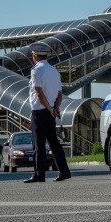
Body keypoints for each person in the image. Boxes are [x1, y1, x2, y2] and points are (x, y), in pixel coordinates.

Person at [24, 44, 72, 183]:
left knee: (38, 144)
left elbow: (39, 92)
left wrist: (49, 108)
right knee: (54, 142)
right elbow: (59, 94)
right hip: (51, 111)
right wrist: (54, 108)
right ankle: (64, 172)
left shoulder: (36, 71)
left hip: (39, 110)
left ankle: (39, 175)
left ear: (35, 56)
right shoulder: (54, 71)